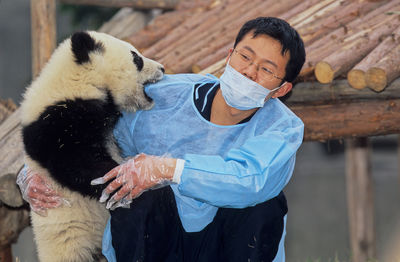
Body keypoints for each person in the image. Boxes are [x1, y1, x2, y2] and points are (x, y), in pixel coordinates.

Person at [18, 17, 306, 262]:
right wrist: (33, 171)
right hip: (158, 238)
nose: (249, 72)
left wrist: (169, 169)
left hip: (227, 243)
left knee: (265, 206)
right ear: (229, 55)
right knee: (135, 195)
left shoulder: (283, 129)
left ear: (282, 89)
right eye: (245, 57)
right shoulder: (164, 95)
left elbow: (249, 179)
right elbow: (78, 135)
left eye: (267, 69)